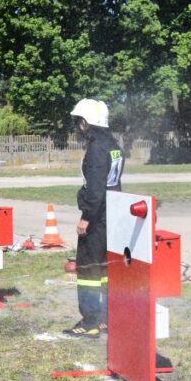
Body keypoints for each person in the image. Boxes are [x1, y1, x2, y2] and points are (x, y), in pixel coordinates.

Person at [66, 99, 124, 338]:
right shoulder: (113, 144)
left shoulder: (96, 149)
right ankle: (106, 318)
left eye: (79, 121)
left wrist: (86, 218)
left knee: (89, 268)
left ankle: (90, 321)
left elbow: (96, 189)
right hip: (113, 213)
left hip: (98, 216)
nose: (79, 126)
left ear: (85, 122)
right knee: (105, 268)